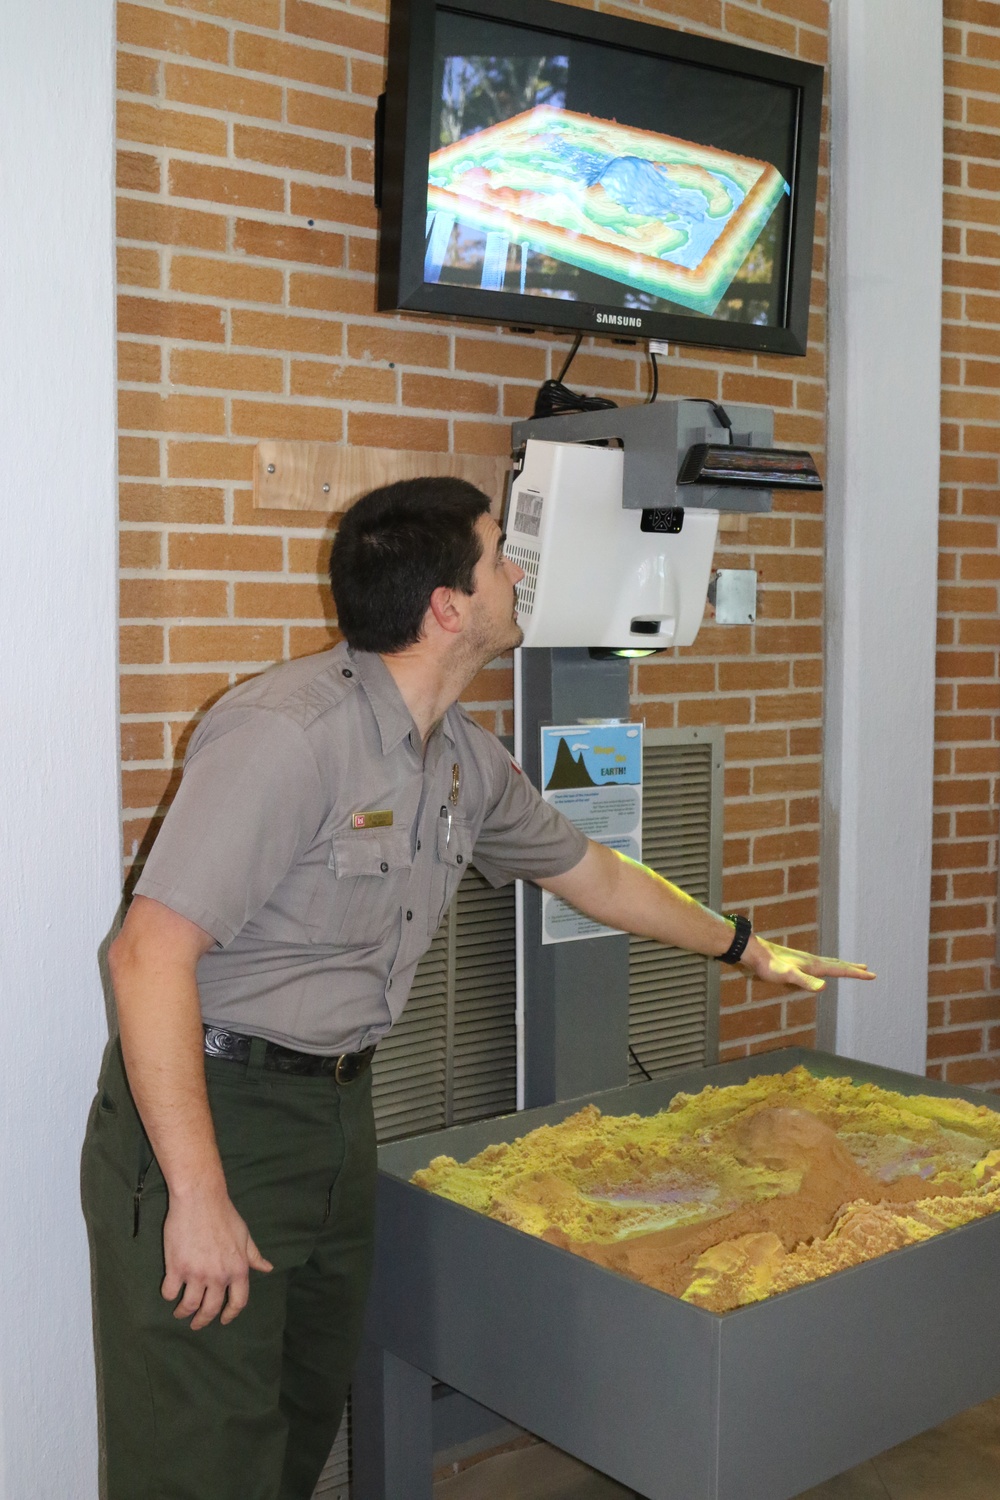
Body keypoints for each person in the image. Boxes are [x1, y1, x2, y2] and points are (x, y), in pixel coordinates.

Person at [82, 476, 873, 1500]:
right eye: (502, 554)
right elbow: (146, 956)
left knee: (290, 1429)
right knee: (198, 1460)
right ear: (448, 606)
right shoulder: (286, 732)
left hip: (334, 1114)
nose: (518, 573)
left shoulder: (460, 758)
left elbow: (592, 872)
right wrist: (195, 1194)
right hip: (211, 1116)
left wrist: (745, 947)